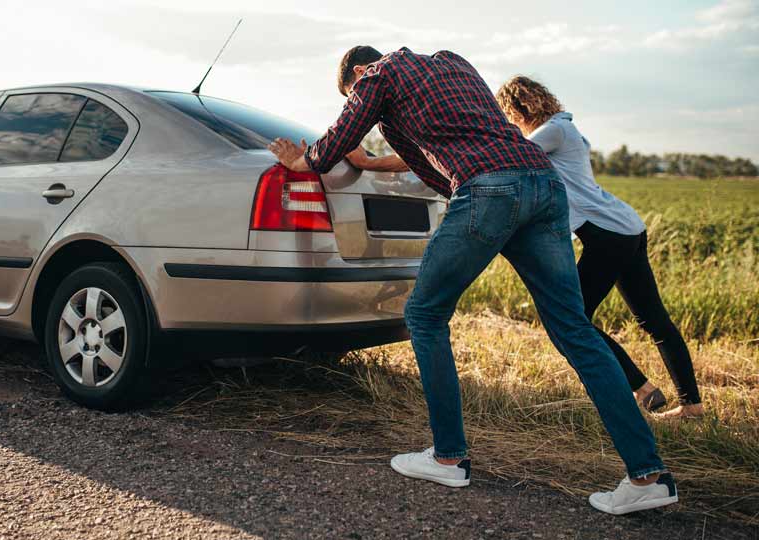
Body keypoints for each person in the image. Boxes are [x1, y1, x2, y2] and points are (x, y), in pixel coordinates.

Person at [268, 46, 678, 515]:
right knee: (574, 328)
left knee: (424, 314)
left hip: (489, 188)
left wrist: (307, 161)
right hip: (543, 185)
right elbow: (434, 155)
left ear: (359, 72)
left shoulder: (377, 74)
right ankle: (647, 475)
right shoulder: (453, 62)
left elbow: (340, 138)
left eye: (352, 89)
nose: (358, 95)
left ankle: (447, 456)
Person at [494, 76, 704, 419]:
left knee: (570, 318)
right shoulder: (563, 129)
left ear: (519, 108)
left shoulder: (553, 131)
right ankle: (688, 405)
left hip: (608, 234)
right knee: (653, 320)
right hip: (625, 228)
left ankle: (642, 389)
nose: (510, 122)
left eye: (508, 114)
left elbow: (513, 156)